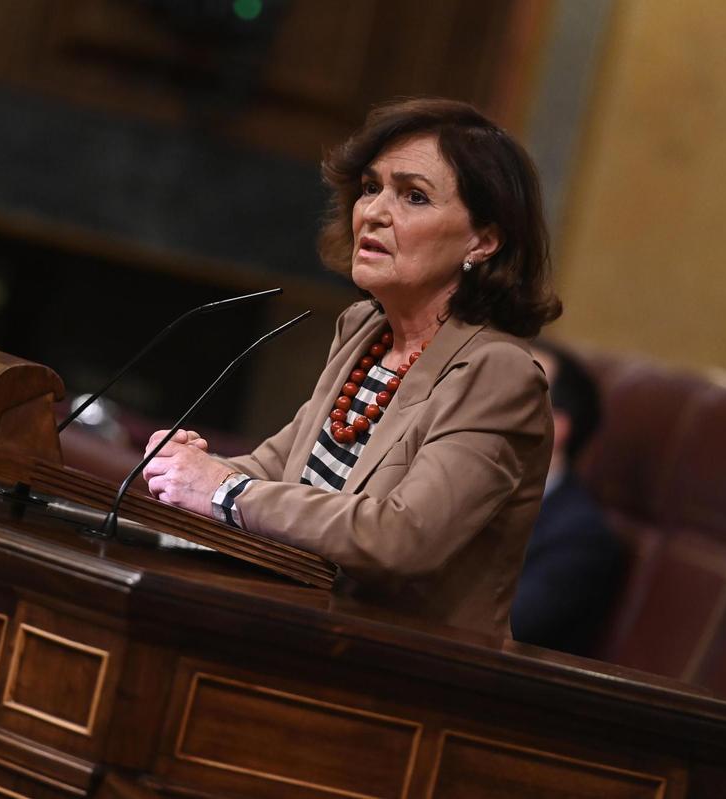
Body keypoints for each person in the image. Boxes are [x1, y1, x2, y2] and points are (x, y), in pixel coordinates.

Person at [141, 98, 561, 637]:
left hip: (401, 669)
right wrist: (186, 469)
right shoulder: (364, 329)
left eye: (413, 196)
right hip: (305, 626)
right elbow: (277, 470)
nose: (375, 212)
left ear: (484, 240)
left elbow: (403, 538)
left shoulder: (499, 374)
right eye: (370, 188)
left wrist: (222, 491)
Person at [511, 342, 623, 655]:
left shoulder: (580, 538)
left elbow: (503, 630)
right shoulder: (461, 489)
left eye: (509, 394)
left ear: (556, 427)